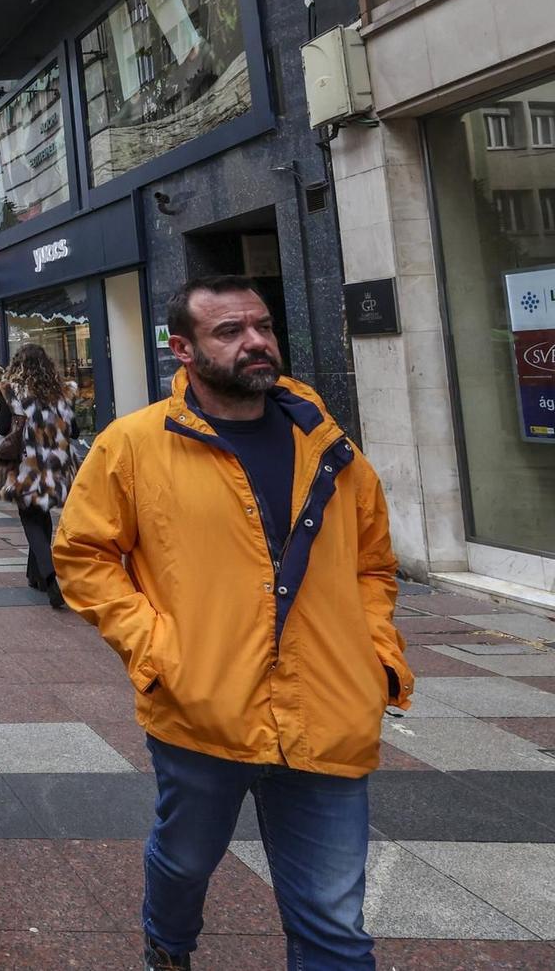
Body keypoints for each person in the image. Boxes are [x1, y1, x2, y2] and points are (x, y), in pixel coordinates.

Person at [54, 276, 411, 971]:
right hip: (201, 709)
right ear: (181, 348)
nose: (255, 341)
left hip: (329, 709)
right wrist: (156, 649)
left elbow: (374, 562)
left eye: (263, 325)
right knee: (185, 864)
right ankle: (168, 940)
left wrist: (375, 652)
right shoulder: (133, 445)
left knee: (336, 928)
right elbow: (83, 555)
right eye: (229, 330)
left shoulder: (328, 445)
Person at [0, 343, 78, 610]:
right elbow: (75, 431)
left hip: (27, 464)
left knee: (31, 518)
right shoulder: (63, 392)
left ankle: (51, 576)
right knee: (41, 515)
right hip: (56, 464)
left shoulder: (12, 393)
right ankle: (37, 576)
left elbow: (0, 427)